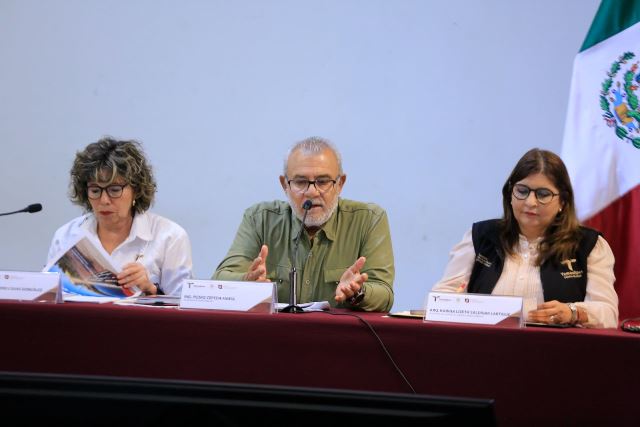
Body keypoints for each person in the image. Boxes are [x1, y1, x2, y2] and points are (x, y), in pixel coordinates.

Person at [432, 148, 619, 328]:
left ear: (562, 201)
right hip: (484, 344)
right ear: (510, 194)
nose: (530, 202)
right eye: (522, 191)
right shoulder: (481, 236)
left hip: (555, 347)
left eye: (543, 194)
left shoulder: (588, 245)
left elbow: (608, 313)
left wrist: (573, 312)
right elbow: (441, 296)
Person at [213, 136, 394, 311]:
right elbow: (218, 281)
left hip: (337, 332)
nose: (312, 192)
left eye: (323, 182)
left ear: (340, 184)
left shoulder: (368, 220)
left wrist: (357, 292)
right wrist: (246, 282)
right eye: (300, 182)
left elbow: (384, 294)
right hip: (275, 331)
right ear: (285, 185)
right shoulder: (259, 219)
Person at [47, 137, 193, 296]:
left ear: (136, 190)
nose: (104, 200)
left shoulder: (170, 237)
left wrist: (150, 289)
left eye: (115, 190)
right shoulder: (66, 235)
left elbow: (183, 304)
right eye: (95, 190)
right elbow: (49, 298)